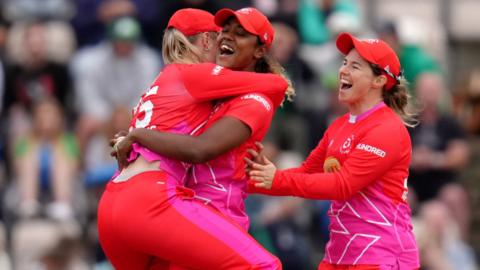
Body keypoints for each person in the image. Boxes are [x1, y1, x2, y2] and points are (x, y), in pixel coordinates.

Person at [98, 8, 290, 269]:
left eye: (240, 33)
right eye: (223, 32)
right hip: (158, 201)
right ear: (207, 40)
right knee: (264, 266)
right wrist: (138, 135)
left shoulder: (177, 80)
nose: (226, 38)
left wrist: (138, 135)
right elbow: (277, 85)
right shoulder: (197, 79)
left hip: (116, 203)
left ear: (259, 50)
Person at [246, 32, 420, 269]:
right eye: (344, 63)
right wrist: (249, 179)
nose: (343, 71)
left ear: (379, 81)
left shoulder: (387, 129)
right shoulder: (339, 125)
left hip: (381, 255)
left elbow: (342, 185)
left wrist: (275, 179)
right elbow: (307, 172)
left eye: (355, 66)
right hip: (340, 256)